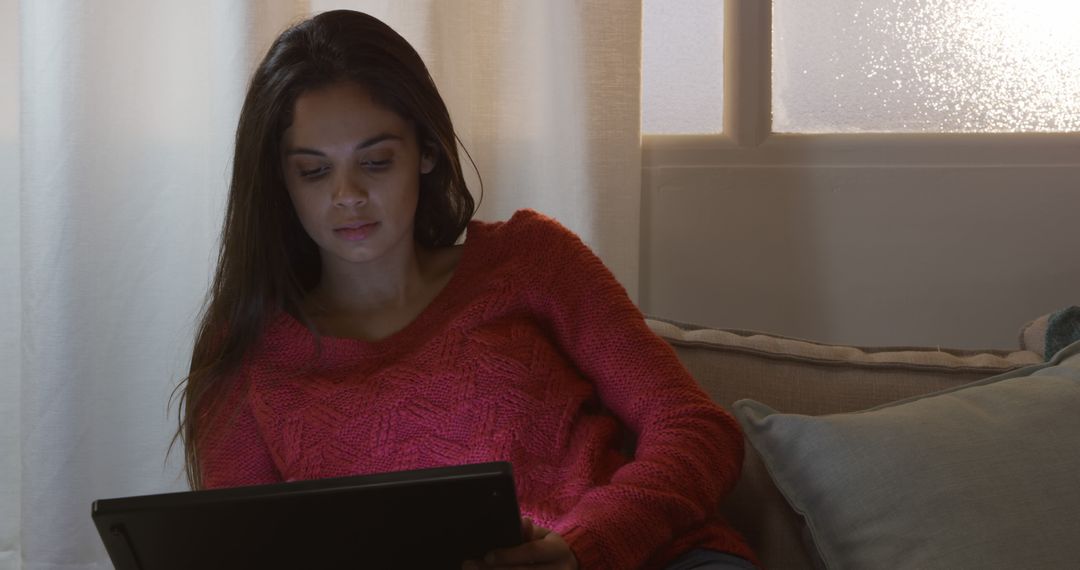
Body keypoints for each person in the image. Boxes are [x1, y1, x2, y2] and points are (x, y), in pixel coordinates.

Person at [176, 9, 756, 570]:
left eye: (375, 162)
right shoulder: (245, 354)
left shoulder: (531, 259)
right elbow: (243, 552)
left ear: (426, 152)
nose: (347, 195)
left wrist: (585, 546)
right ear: (279, 180)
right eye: (314, 170)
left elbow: (696, 429)